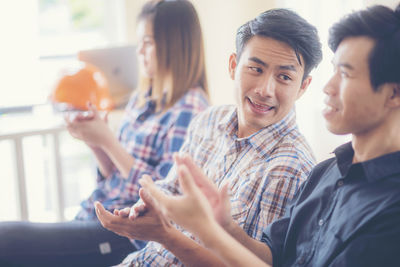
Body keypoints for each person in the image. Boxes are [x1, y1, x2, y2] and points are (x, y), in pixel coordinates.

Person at [138, 4, 400, 267]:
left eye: (345, 74)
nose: (328, 87)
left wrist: (197, 232)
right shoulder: (325, 174)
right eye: (333, 71)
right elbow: (274, 257)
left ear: (394, 94)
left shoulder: (390, 209)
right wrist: (225, 225)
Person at [95, 8, 322, 267]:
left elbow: (252, 262)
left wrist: (170, 233)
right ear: (233, 66)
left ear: (303, 86)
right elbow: (170, 187)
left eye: (284, 77)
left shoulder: (290, 167)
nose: (265, 90)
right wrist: (143, 208)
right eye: (255, 69)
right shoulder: (208, 121)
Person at [0, 0, 209, 266]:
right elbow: (117, 176)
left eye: (148, 43)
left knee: (6, 239)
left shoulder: (191, 110)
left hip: (129, 234)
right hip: (100, 213)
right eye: (139, 43)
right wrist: (96, 142)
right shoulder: (142, 98)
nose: (140, 52)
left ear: (175, 45)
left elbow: (164, 198)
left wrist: (109, 141)